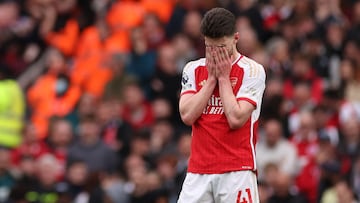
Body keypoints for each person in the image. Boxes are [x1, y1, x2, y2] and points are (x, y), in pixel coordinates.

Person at [177, 7, 266, 203]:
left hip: (237, 170)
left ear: (235, 38)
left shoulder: (252, 71)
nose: (215, 53)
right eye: (210, 47)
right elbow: (187, 116)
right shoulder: (193, 69)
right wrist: (210, 80)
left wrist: (224, 78)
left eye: (221, 47)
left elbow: (235, 119)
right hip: (198, 171)